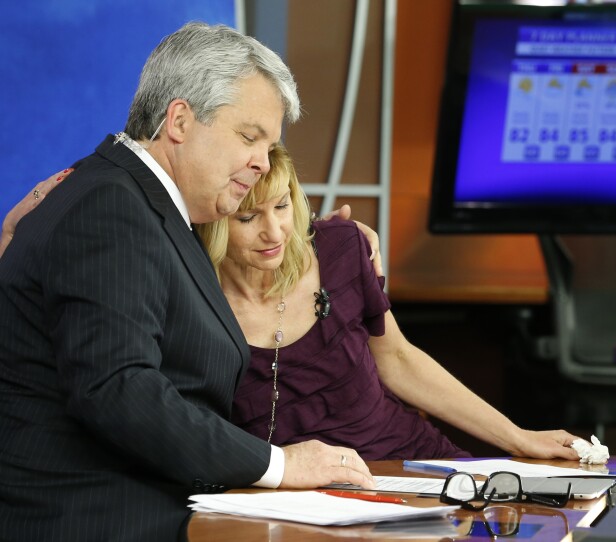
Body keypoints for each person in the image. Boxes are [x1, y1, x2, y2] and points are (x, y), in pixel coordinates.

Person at [0, 22, 373, 541]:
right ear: (179, 120)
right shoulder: (111, 208)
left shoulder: (149, 208)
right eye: (250, 137)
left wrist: (338, 240)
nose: (263, 163)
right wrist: (280, 465)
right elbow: (118, 388)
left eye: (270, 146)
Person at [195, 145, 584, 460]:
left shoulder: (341, 248)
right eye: (248, 218)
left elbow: (397, 359)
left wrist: (518, 438)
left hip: (404, 457)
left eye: (282, 206)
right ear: (214, 219)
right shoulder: (192, 300)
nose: (274, 232)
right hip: (295, 498)